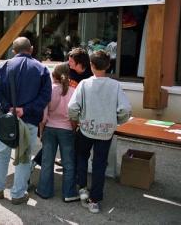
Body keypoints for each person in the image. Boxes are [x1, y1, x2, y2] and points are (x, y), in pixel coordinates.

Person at [0, 37, 51, 205]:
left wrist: (9, 108)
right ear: (31, 49)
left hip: (7, 119)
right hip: (29, 119)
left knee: (2, 154)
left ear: (13, 51)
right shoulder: (42, 69)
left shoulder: (5, 66)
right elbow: (45, 97)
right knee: (24, 157)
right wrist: (25, 109)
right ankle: (18, 194)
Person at [68, 50, 131, 213]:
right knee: (99, 163)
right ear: (108, 66)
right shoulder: (115, 85)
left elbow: (72, 107)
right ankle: (95, 200)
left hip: (86, 129)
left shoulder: (84, 84)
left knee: (81, 157)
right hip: (106, 132)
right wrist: (117, 121)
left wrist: (77, 120)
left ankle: (82, 188)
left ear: (91, 65)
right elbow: (125, 109)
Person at [35, 63, 79, 202]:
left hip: (50, 128)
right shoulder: (74, 91)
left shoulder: (50, 90)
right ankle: (69, 193)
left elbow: (44, 115)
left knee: (47, 161)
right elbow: (75, 115)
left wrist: (41, 131)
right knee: (68, 163)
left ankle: (44, 190)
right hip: (67, 129)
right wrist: (73, 128)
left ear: (53, 76)